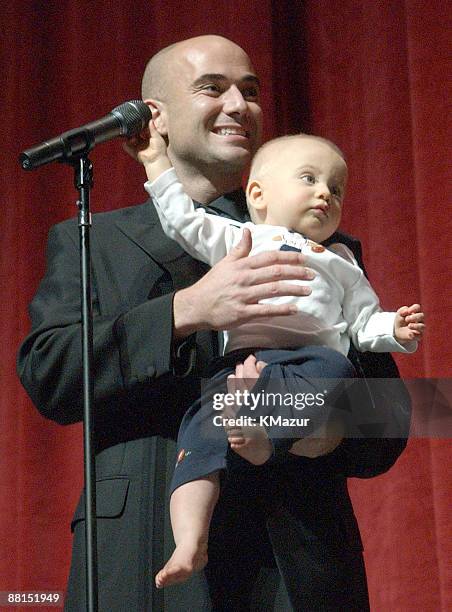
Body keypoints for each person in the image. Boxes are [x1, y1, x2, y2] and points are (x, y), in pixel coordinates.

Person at [17, 35, 412, 611]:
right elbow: (49, 375)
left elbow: (393, 420)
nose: (239, 105)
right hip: (142, 551)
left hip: (291, 559)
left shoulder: (323, 249)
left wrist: (316, 433)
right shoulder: (92, 241)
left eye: (250, 91)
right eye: (213, 88)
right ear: (157, 117)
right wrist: (186, 312)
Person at [134, 128, 425, 588]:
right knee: (203, 432)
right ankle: (189, 539)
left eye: (336, 189)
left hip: (311, 361)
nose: (325, 193)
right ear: (258, 194)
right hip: (240, 366)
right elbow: (183, 221)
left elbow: (362, 324)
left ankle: (263, 436)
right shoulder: (243, 238)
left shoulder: (342, 260)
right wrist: (155, 164)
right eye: (308, 179)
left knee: (338, 372)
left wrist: (395, 330)